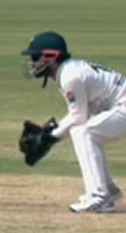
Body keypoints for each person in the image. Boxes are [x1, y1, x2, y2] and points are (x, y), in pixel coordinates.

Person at [21, 31, 126, 213]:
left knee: (84, 132)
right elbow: (80, 115)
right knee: (85, 131)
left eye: (36, 57)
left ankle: (100, 197)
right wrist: (51, 135)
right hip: (119, 106)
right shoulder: (68, 71)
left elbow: (78, 117)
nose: (33, 62)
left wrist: (48, 138)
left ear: (51, 57)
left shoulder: (70, 75)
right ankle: (106, 189)